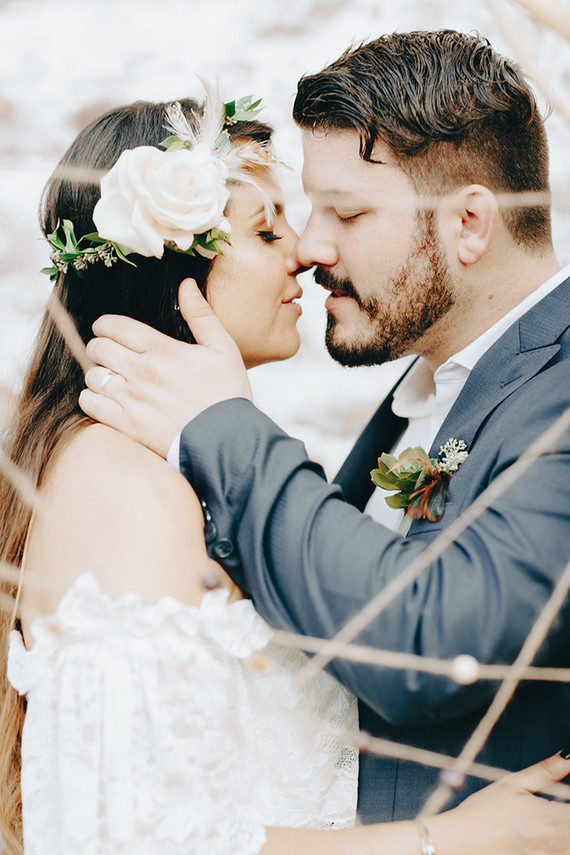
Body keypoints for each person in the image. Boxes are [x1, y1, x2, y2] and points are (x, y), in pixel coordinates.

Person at [3, 88, 569, 855]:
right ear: (173, 268)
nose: (304, 248)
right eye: (269, 228)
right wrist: (443, 839)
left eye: (344, 213)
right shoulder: (118, 483)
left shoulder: (188, 473)